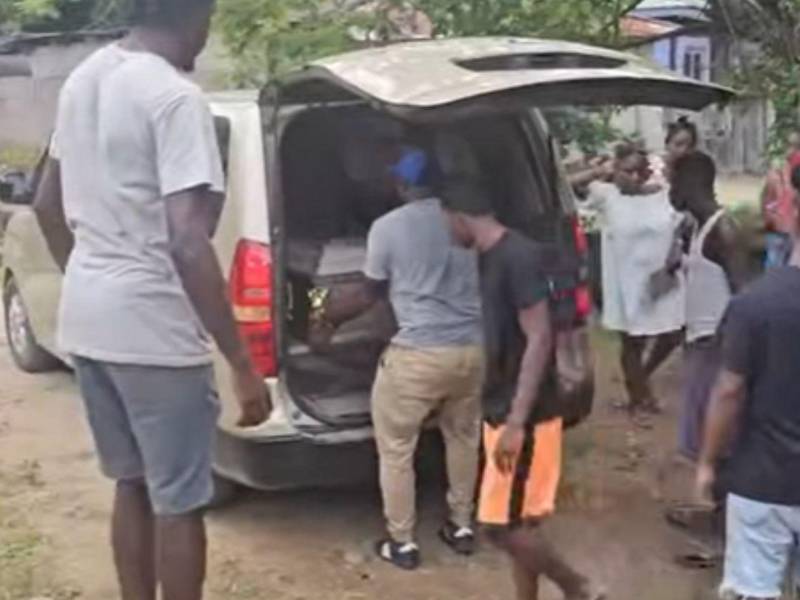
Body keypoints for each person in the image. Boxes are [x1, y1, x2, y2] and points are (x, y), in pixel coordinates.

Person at [32, 1, 272, 598]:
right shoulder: (174, 98)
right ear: (193, 15)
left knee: (131, 483)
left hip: (87, 321)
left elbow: (45, 205)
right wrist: (243, 365)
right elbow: (189, 242)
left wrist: (93, 277)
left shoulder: (84, 78)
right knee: (180, 501)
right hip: (152, 333)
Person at [311, 148, 484, 570]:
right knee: (462, 438)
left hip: (418, 357)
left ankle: (402, 542)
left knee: (397, 448)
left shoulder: (387, 228)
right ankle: (461, 526)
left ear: (400, 184)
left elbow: (368, 293)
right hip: (471, 350)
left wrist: (321, 316)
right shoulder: (467, 220)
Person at [442, 181, 603, 600]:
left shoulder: (517, 258)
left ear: (459, 215)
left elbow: (539, 337)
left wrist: (516, 422)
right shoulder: (493, 257)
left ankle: (578, 588)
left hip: (523, 414)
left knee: (499, 527)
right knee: (522, 522)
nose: (445, 232)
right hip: (507, 407)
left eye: (445, 221)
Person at [696, 164, 800, 600]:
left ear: (791, 208)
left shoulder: (755, 304)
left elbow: (730, 391)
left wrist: (706, 463)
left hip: (765, 479)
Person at [582, 143, 685, 420]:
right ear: (615, 170)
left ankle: (644, 376)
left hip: (662, 279)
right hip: (625, 281)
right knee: (632, 341)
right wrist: (597, 171)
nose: (635, 177)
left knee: (674, 333)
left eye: (640, 171)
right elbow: (564, 186)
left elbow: (679, 225)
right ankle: (639, 397)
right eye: (627, 171)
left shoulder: (663, 193)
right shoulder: (606, 195)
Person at [671, 151, 747, 462]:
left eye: (673, 182)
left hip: (718, 341)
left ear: (690, 184)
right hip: (699, 338)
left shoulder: (723, 229)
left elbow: (744, 293)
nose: (670, 191)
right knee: (698, 432)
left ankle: (717, 499)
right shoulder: (694, 228)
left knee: (716, 433)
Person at [760, 129, 800, 269]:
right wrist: (769, 219)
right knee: (774, 267)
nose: (793, 151)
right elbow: (765, 199)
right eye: (790, 146)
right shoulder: (776, 174)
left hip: (789, 231)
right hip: (778, 231)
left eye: (796, 146)